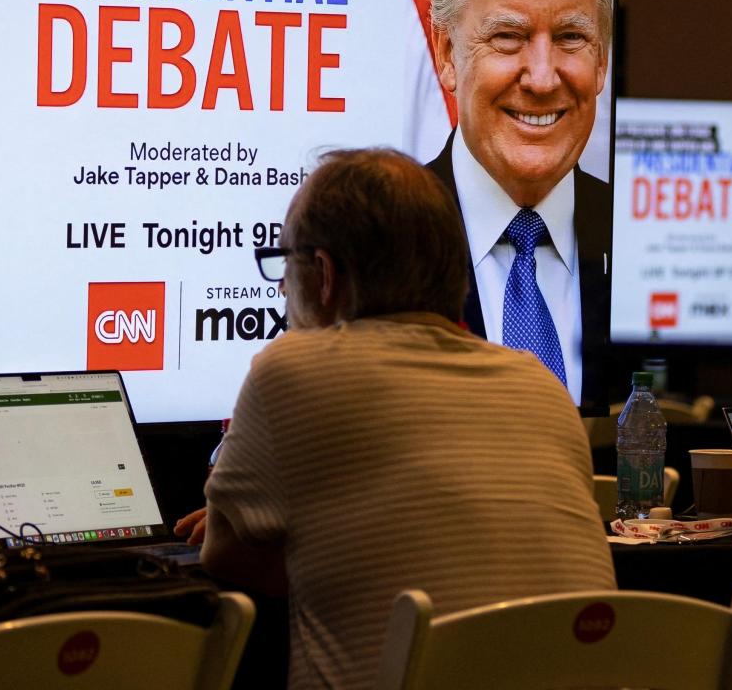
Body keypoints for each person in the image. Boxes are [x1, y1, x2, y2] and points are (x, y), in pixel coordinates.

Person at [183, 148, 614, 690]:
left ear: (324, 275)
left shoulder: (292, 370)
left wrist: (297, 531)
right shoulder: (542, 386)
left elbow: (226, 557)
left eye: (284, 264)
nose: (281, 288)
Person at [422, 0, 612, 407]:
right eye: (508, 37)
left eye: (571, 37)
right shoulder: (378, 245)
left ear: (601, 59)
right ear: (447, 54)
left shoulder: (646, 247)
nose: (543, 78)